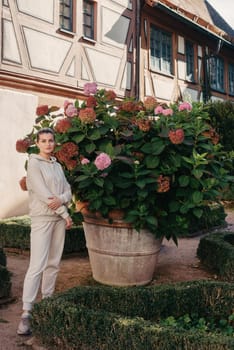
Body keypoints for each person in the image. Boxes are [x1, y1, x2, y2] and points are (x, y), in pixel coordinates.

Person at [17, 127, 73, 336]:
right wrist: (64, 212)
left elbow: (67, 190)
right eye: (43, 140)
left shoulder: (56, 165)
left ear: (54, 142)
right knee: (37, 265)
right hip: (43, 219)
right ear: (37, 144)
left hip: (58, 219)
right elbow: (43, 193)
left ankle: (47, 302)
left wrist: (63, 201)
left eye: (51, 140)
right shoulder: (34, 164)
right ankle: (27, 312)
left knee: (53, 263)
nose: (48, 144)